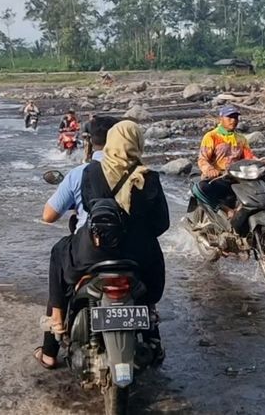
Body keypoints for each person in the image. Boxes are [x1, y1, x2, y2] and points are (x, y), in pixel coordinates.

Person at [35, 121, 169, 369]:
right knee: (147, 289)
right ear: (138, 143)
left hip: (92, 253)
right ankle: (151, 334)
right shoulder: (149, 178)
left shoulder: (84, 173)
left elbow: (48, 216)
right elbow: (162, 225)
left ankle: (52, 341)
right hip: (138, 257)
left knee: (59, 252)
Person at [196, 105, 255, 212]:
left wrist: (261, 162)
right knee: (200, 188)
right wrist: (210, 170)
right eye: (229, 117)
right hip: (217, 178)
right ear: (221, 119)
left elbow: (249, 157)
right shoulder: (211, 136)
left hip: (237, 177)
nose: (233, 120)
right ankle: (226, 210)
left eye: (235, 118)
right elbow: (202, 159)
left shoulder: (241, 139)